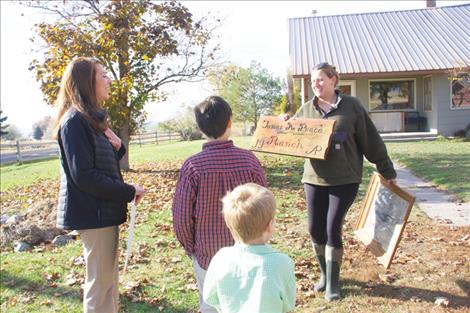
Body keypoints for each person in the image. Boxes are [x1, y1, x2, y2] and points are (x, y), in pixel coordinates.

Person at [285, 62, 397, 301]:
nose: (316, 84)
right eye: (313, 81)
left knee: (331, 226)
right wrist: (283, 122)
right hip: (313, 178)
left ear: (334, 79)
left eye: (321, 79)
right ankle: (325, 275)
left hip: (345, 179)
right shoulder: (306, 110)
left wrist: (386, 169)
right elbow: (287, 135)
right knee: (314, 228)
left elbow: (371, 141)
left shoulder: (352, 107)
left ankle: (334, 284)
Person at [54, 57, 144, 313]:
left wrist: (118, 147)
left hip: (102, 213)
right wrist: (129, 191)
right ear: (86, 83)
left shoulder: (91, 120)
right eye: (102, 75)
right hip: (93, 214)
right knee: (100, 285)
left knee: (108, 283)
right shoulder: (74, 122)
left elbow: (99, 163)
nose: (108, 80)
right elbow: (83, 175)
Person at [172, 96, 267, 313]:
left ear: (200, 127)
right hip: (249, 249)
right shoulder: (249, 160)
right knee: (248, 304)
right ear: (230, 122)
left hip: (208, 253)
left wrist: (192, 248)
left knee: (211, 305)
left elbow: (181, 217)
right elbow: (264, 205)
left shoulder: (193, 166)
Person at [203, 183, 296, 313]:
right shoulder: (282, 263)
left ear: (230, 226)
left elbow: (210, 296)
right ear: (270, 226)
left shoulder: (221, 259)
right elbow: (288, 303)